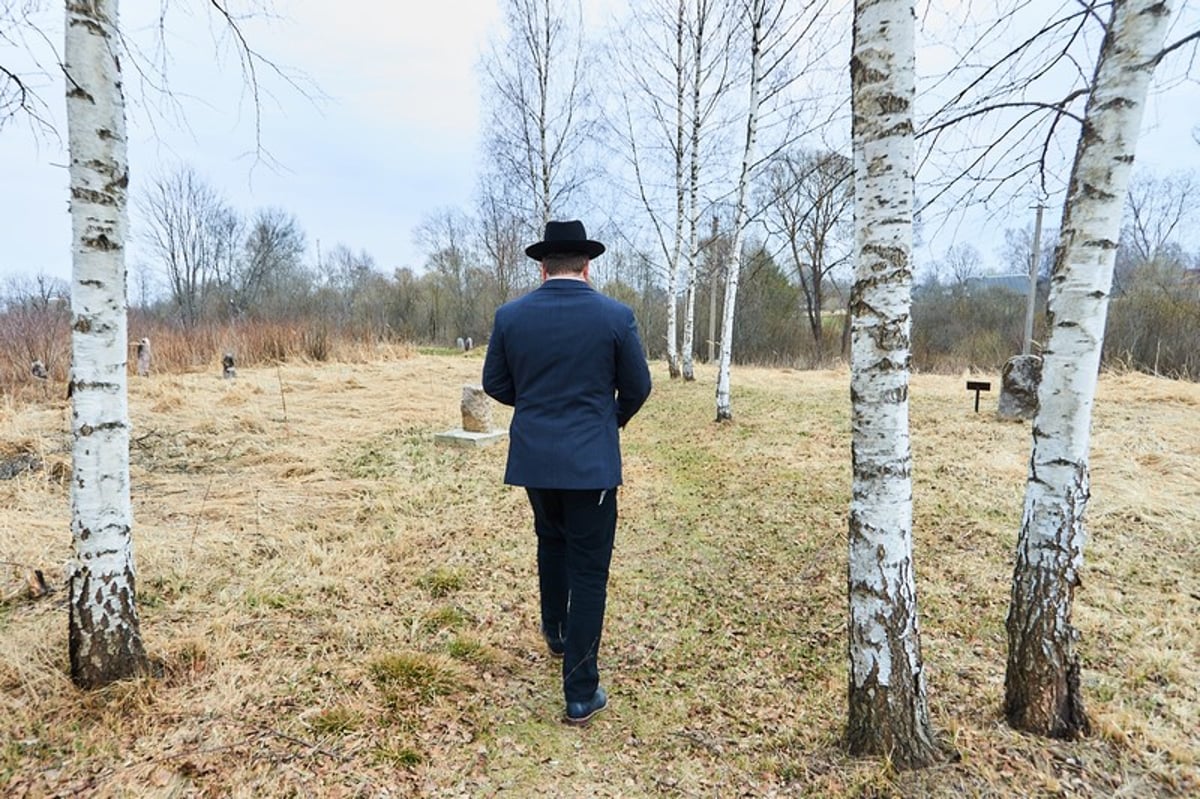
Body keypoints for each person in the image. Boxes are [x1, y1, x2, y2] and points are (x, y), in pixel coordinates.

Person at [482, 219, 652, 725]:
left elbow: (495, 382)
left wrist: (535, 407)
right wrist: (608, 419)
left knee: (550, 542)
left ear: (541, 266)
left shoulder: (511, 316)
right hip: (591, 463)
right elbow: (638, 387)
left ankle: (557, 631)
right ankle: (580, 690)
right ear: (587, 264)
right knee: (589, 569)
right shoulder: (615, 316)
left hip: (536, 459)